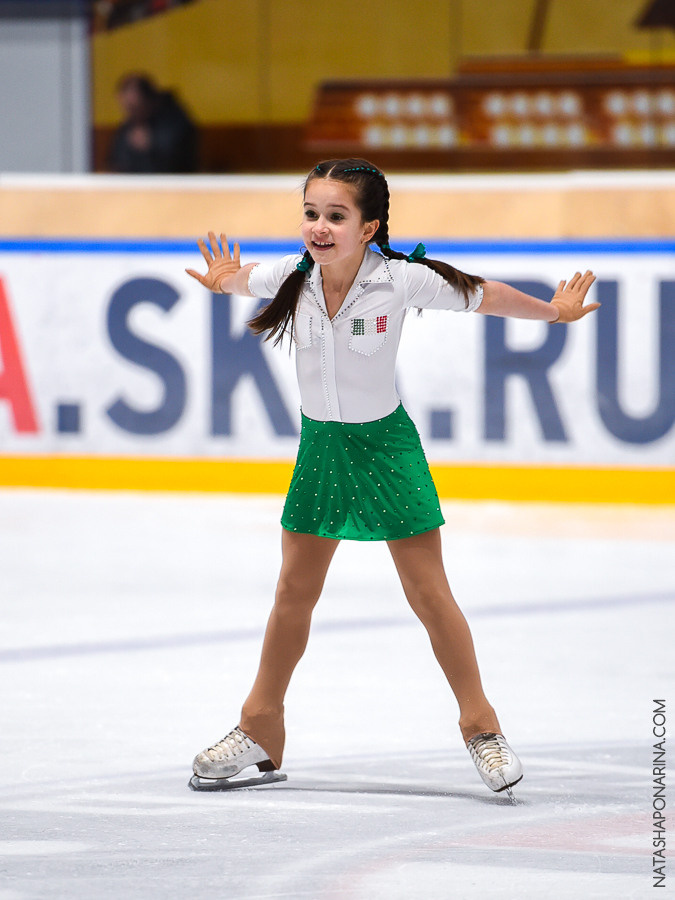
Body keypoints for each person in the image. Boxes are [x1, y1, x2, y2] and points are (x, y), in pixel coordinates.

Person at [185, 158, 599, 797]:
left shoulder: (400, 281)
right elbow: (245, 279)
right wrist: (223, 282)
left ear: (370, 226)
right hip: (319, 448)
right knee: (293, 591)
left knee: (429, 592)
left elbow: (482, 293)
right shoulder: (293, 276)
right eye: (311, 213)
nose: (319, 228)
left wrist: (553, 312)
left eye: (336, 216)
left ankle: (481, 726)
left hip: (386, 449)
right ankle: (260, 724)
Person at [108, 74, 197, 174]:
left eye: (132, 106)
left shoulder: (174, 121)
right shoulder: (132, 123)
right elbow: (117, 160)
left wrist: (151, 146)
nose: (128, 111)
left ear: (147, 100)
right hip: (136, 186)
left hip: (175, 185)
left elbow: (176, 162)